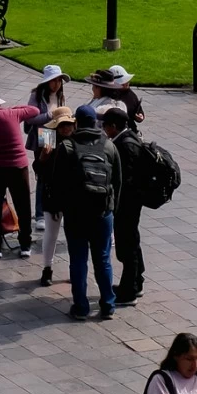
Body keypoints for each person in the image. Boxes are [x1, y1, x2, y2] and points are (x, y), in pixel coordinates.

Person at [47, 102, 120, 319]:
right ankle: (107, 304)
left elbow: (56, 182)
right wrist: (111, 209)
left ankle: (80, 306)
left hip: (76, 214)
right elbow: (117, 181)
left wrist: (57, 207)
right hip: (102, 213)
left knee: (78, 260)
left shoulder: (67, 147)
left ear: (76, 122)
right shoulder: (108, 146)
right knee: (103, 259)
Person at [0, 86, 48, 259]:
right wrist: (13, 109)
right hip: (18, 167)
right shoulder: (12, 114)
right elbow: (34, 110)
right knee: (23, 205)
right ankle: (25, 245)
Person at [100, 102, 147, 305]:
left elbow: (125, 179)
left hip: (127, 204)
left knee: (127, 245)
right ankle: (136, 281)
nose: (103, 129)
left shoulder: (125, 145)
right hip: (131, 202)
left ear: (113, 126)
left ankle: (129, 291)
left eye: (105, 125)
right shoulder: (128, 139)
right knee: (131, 243)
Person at [35, 106, 75, 286]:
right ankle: (47, 269)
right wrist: (43, 158)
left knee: (74, 235)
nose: (66, 128)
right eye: (62, 125)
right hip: (52, 193)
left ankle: (76, 269)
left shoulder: (76, 140)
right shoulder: (47, 137)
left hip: (72, 194)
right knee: (51, 234)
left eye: (69, 125)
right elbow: (38, 170)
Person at [26, 65, 68, 226]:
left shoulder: (60, 96)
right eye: (54, 81)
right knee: (43, 175)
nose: (57, 84)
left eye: (59, 81)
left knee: (57, 174)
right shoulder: (36, 95)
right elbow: (30, 119)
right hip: (45, 135)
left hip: (58, 135)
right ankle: (39, 214)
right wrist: (50, 115)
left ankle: (55, 208)